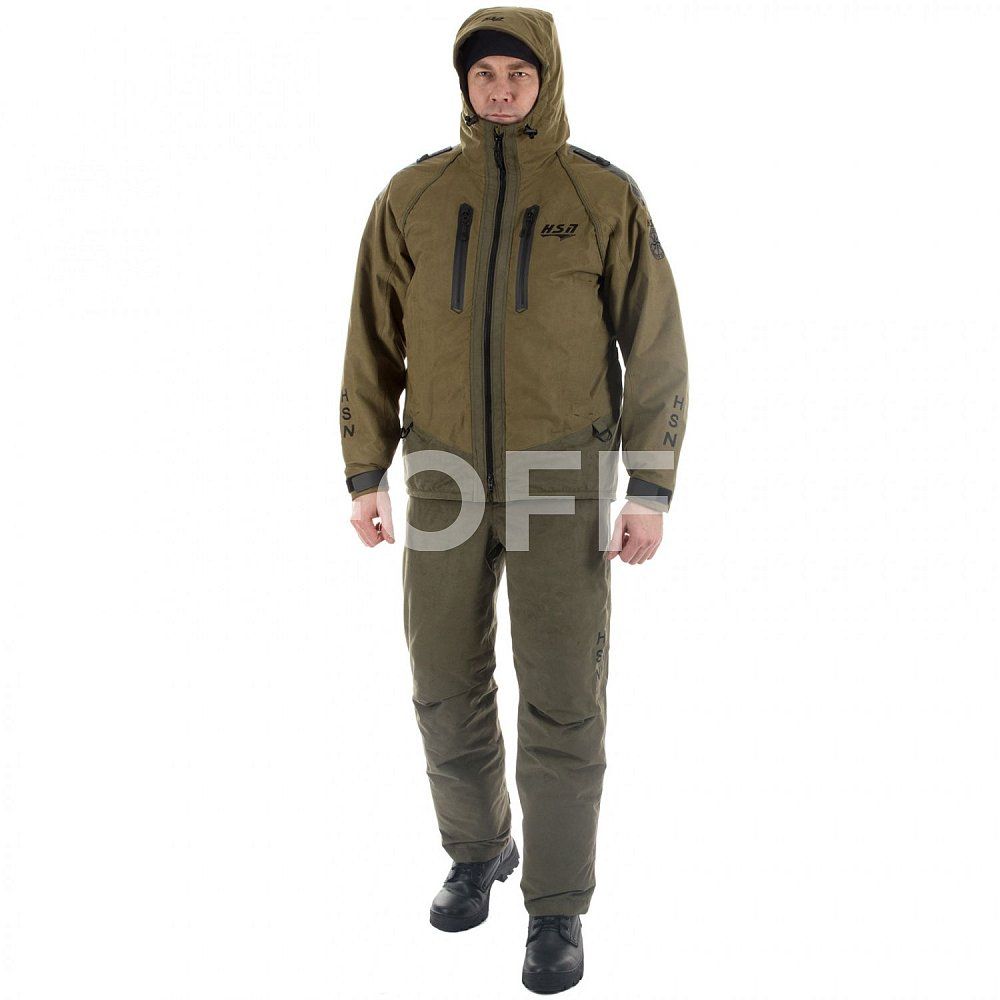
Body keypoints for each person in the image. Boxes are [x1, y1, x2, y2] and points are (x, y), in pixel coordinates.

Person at [339, 7, 688, 993]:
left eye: (517, 74)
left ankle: (556, 905)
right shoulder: (412, 196)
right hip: (443, 474)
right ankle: (478, 849)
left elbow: (655, 344)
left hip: (558, 474)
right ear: (464, 83)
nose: (500, 89)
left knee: (563, 697)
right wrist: (365, 471)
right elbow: (370, 340)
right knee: (442, 682)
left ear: (548, 81)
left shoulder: (600, 194)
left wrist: (650, 484)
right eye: (484, 73)